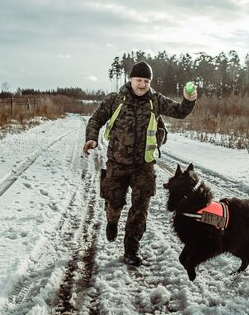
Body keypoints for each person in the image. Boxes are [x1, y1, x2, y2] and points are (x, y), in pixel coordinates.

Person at [83, 61, 198, 266]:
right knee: (114, 203)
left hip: (144, 166)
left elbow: (180, 111)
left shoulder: (155, 100)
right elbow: (95, 119)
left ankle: (131, 250)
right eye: (139, 80)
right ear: (131, 79)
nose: (142, 85)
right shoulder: (115, 99)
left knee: (140, 209)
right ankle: (112, 220)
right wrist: (91, 138)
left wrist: (189, 100)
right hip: (117, 163)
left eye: (146, 81)